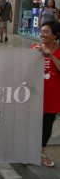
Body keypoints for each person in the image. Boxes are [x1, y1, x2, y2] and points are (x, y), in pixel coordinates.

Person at [32, 21, 60, 167]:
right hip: (35, 95)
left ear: (56, 34)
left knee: (47, 125)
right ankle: (28, 151)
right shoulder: (34, 48)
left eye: (46, 32)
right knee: (32, 124)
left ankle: (41, 152)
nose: (41, 34)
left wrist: (50, 55)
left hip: (53, 96)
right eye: (41, 31)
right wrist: (33, 55)